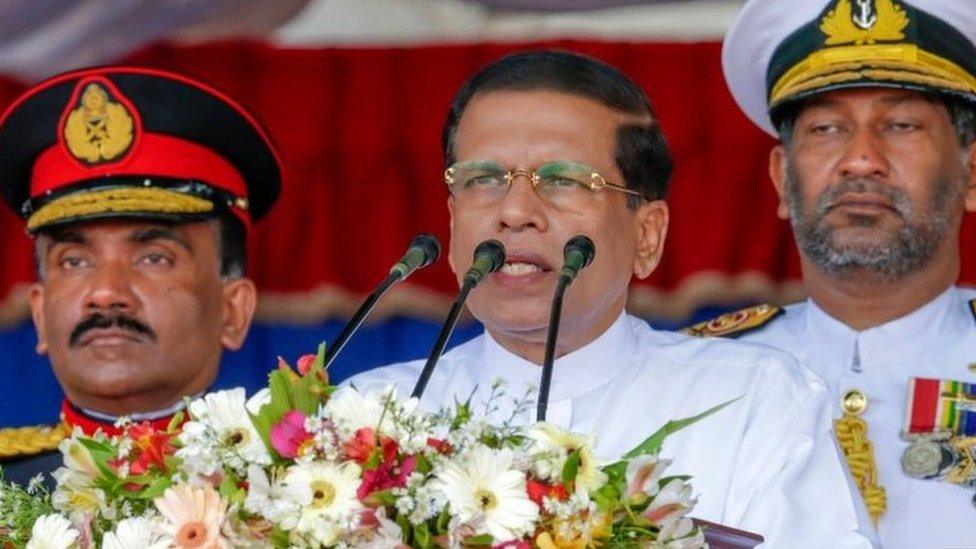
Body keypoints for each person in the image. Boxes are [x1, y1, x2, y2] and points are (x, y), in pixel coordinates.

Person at [347, 50, 875, 547]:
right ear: (453, 221)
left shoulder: (753, 402)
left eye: (565, 181)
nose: (515, 211)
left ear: (647, 235)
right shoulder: (364, 416)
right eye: (484, 178)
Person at [686, 1, 976, 546]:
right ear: (780, 178)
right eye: (826, 128)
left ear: (972, 171)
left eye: (902, 124)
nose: (861, 159)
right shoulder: (690, 378)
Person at [0, 66, 282, 486]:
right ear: (39, 315)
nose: (106, 293)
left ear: (233, 309)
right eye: (74, 261)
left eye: (154, 258)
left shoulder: (304, 493)